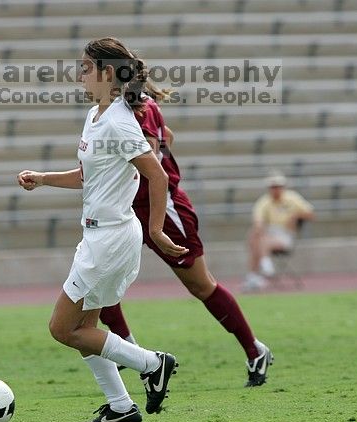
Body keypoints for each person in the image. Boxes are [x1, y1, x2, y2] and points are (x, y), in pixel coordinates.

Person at [17, 37, 187, 422]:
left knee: (61, 329)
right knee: (85, 329)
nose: (79, 74)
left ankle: (153, 363)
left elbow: (157, 174)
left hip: (111, 238)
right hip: (98, 236)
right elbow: (87, 176)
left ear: (107, 73)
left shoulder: (118, 122)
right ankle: (120, 406)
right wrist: (43, 178)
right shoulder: (97, 115)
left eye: (85, 67)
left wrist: (157, 230)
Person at [98, 80, 274, 388]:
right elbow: (167, 137)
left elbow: (152, 160)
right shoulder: (112, 111)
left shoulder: (142, 108)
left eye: (89, 68)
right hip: (125, 207)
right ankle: (134, 355)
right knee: (99, 276)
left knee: (200, 285)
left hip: (163, 209)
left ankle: (254, 350)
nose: (82, 76)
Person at [242, 171, 315, 291]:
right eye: (273, 187)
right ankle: (262, 267)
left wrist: (296, 216)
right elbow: (258, 222)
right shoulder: (264, 201)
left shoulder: (292, 198)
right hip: (269, 233)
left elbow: (311, 213)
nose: (276, 189)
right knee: (254, 235)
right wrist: (259, 228)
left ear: (283, 187)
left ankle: (256, 273)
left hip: (286, 235)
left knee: (258, 240)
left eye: (278, 186)